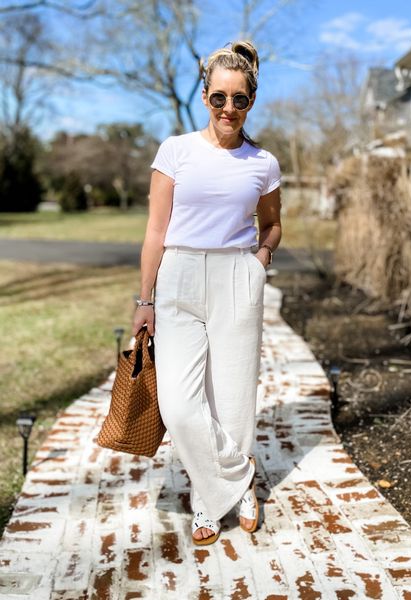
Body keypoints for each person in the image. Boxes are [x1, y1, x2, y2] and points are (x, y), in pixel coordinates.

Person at [132, 40, 282, 546]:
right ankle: (238, 477)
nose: (228, 109)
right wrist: (143, 299)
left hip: (237, 276)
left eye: (239, 100)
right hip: (178, 276)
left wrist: (258, 265)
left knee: (234, 397)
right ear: (205, 97)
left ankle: (209, 499)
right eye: (219, 98)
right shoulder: (175, 150)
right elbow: (156, 230)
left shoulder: (263, 162)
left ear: (251, 101)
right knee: (178, 404)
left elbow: (273, 225)